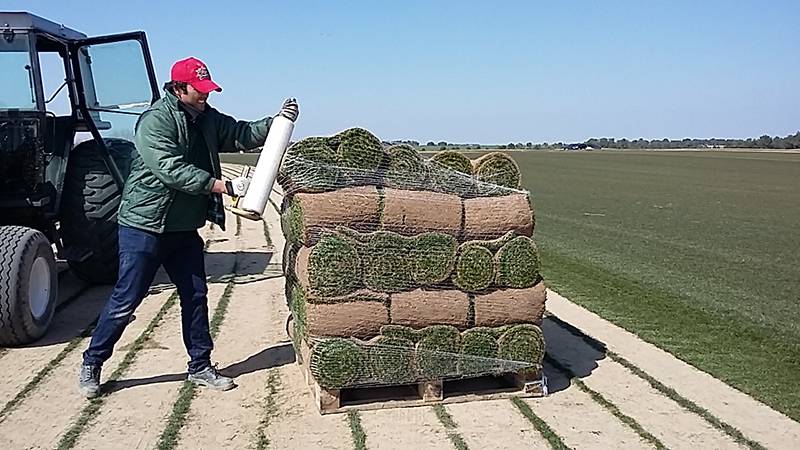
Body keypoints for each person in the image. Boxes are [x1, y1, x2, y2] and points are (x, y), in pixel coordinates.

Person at [78, 56, 298, 398]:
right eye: (200, 90)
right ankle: (92, 362)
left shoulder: (206, 117)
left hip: (182, 229)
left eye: (209, 90)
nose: (206, 96)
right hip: (145, 226)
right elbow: (171, 169)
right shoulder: (155, 122)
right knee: (126, 300)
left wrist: (276, 121)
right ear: (179, 88)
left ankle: (200, 366)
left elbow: (240, 133)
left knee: (195, 296)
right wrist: (222, 186)